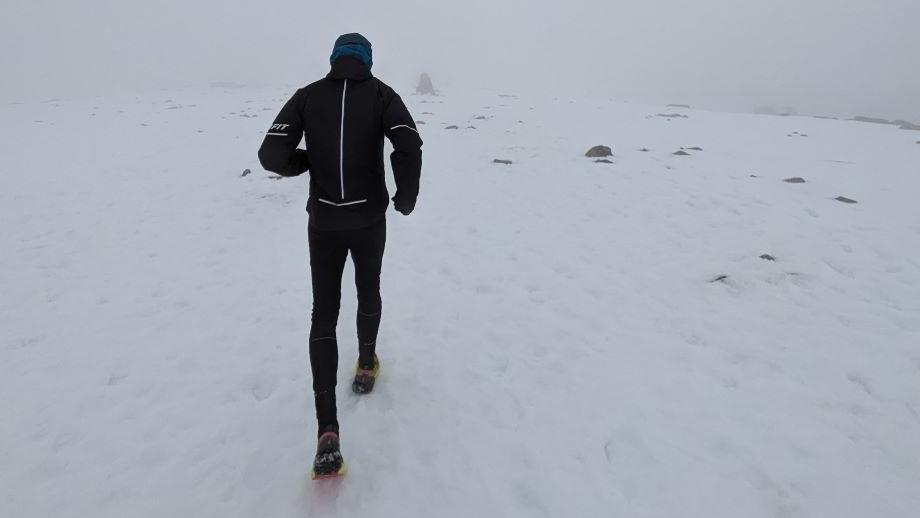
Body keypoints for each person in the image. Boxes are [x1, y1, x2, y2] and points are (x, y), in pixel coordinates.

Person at [258, 33, 423, 479]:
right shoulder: (383, 94)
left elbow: (271, 155)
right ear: (367, 60)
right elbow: (408, 144)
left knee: (323, 313)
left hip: (325, 223)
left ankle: (327, 429)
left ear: (334, 60)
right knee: (369, 290)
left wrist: (307, 162)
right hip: (369, 220)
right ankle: (367, 363)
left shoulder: (308, 97)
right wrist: (404, 197)